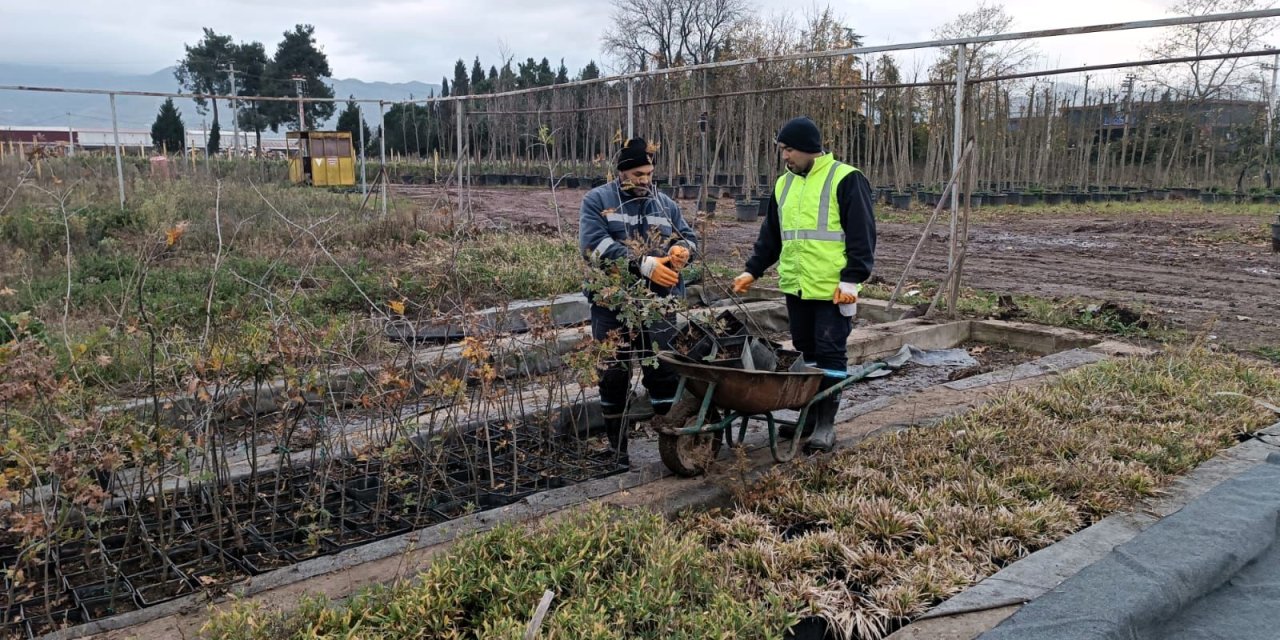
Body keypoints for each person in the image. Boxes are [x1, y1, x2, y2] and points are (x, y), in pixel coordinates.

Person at [732, 116, 877, 452]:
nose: (785, 156)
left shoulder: (846, 178)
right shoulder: (784, 184)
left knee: (830, 354)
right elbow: (772, 236)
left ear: (809, 148)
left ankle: (826, 425)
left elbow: (862, 234)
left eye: (789, 149)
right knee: (807, 353)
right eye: (783, 150)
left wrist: (853, 279)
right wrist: (753, 270)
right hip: (797, 287)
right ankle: (809, 417)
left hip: (832, 289)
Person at [579, 137, 700, 463]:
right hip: (612, 303)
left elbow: (688, 236)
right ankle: (617, 451)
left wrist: (683, 250)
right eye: (637, 174)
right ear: (621, 173)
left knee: (663, 373)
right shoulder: (598, 201)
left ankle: (669, 449)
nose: (645, 180)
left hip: (659, 304)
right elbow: (593, 246)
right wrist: (643, 264)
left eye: (648, 173)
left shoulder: (665, 204)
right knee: (614, 373)